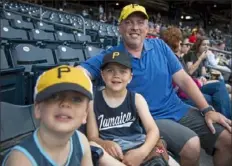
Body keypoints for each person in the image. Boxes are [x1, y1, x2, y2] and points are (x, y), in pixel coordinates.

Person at [79, 4, 232, 166]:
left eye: (140, 22)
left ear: (147, 28)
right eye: (129, 22)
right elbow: (81, 72)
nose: (135, 27)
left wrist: (207, 109)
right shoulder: (113, 56)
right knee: (191, 145)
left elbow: (184, 80)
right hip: (148, 118)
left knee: (227, 139)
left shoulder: (160, 46)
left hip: (177, 108)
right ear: (120, 27)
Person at [2, 65, 125, 166]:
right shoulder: (21, 160)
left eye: (76, 99)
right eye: (54, 96)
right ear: (38, 108)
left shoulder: (81, 140)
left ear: (85, 114)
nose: (65, 104)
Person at [86, 51, 167, 166]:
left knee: (160, 153)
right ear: (102, 75)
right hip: (113, 153)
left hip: (138, 146)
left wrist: (141, 152)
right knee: (94, 147)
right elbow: (92, 137)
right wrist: (104, 143)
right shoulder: (93, 102)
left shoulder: (136, 99)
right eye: (110, 70)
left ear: (130, 77)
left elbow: (153, 130)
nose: (116, 75)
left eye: (123, 71)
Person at [161, 26, 231, 119]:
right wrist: (199, 80)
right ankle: (227, 122)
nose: (188, 46)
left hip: (192, 86)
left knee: (220, 87)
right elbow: (186, 77)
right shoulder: (181, 57)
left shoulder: (179, 58)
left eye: (208, 44)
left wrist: (202, 77)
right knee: (218, 92)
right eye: (186, 44)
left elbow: (200, 74)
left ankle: (225, 121)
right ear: (177, 44)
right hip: (184, 94)